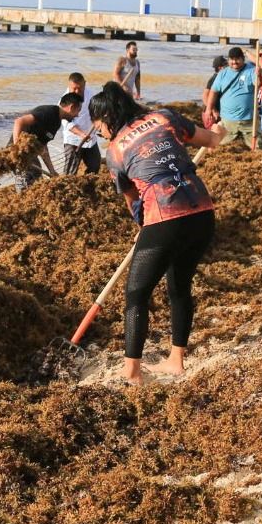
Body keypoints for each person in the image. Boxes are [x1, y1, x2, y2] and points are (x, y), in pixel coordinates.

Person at [87, 82, 224, 385]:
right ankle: (176, 361)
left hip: (166, 217)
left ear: (108, 116)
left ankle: (132, 372)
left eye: (98, 127)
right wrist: (220, 133)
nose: (100, 133)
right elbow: (211, 140)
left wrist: (144, 228)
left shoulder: (116, 151)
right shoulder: (165, 117)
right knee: (179, 286)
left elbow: (133, 200)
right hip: (202, 211)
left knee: (136, 294)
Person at [8, 92, 84, 189]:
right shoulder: (48, 112)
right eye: (78, 110)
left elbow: (43, 147)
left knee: (37, 175)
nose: (77, 115)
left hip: (30, 155)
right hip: (17, 153)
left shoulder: (56, 122)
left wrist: (52, 170)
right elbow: (19, 121)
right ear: (71, 107)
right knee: (29, 176)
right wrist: (17, 149)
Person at [205, 46, 256, 147]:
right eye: (232, 59)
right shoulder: (222, 74)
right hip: (228, 120)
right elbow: (213, 92)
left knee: (258, 147)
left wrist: (260, 77)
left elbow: (260, 83)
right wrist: (209, 109)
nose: (234, 62)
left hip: (248, 121)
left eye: (237, 59)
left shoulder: (252, 70)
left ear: (243, 59)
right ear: (228, 60)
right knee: (220, 146)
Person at [60, 73, 100, 175]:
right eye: (74, 89)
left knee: (95, 165)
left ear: (85, 84)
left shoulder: (92, 95)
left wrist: (99, 122)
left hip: (90, 137)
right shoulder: (64, 101)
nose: (77, 92)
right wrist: (81, 134)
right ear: (69, 86)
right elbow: (67, 124)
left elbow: (98, 112)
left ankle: (87, 187)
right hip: (73, 140)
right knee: (70, 172)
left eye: (80, 88)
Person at [202, 55, 227, 129]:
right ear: (220, 67)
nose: (228, 67)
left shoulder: (222, 77)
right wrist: (213, 111)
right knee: (213, 134)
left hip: (218, 112)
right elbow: (205, 96)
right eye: (226, 65)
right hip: (212, 114)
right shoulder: (214, 78)